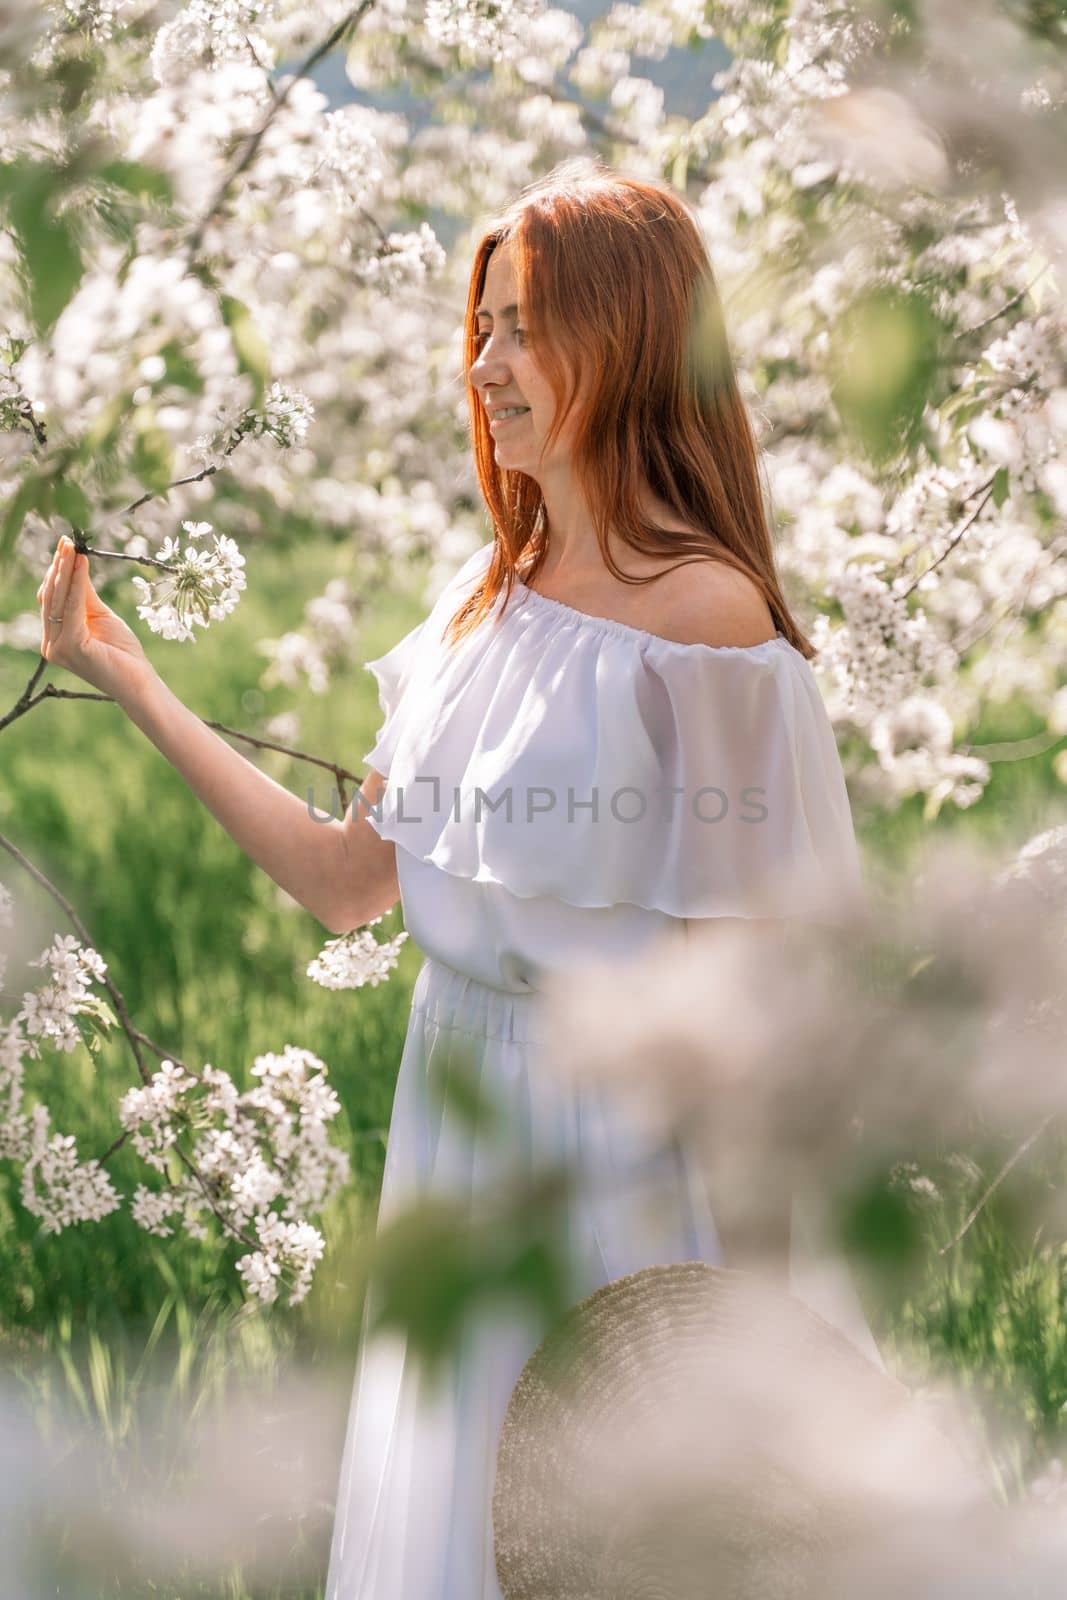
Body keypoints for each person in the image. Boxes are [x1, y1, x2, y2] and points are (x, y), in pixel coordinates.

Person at [37, 164, 885, 1598]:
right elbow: (342, 883)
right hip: (465, 1145)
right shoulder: (479, 600)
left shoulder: (711, 627)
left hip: (621, 1180)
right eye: (479, 325)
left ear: (632, 340)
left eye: (525, 328)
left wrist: (742, 1337)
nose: (483, 364)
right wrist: (130, 676)